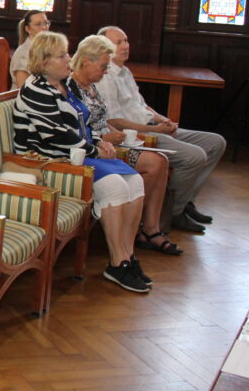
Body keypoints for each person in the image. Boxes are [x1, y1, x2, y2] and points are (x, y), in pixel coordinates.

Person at [12, 32, 150, 293]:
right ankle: (117, 262)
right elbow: (56, 136)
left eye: (67, 53)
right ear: (44, 61)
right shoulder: (35, 89)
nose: (69, 59)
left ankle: (127, 256)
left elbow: (82, 124)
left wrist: (99, 141)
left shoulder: (66, 84)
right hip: (46, 161)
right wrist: (95, 150)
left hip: (76, 154)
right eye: (62, 55)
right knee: (115, 187)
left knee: (135, 182)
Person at [97, 26, 226, 233]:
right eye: (118, 42)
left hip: (152, 126)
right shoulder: (104, 76)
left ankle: (186, 201)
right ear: (103, 47)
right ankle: (174, 212)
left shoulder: (125, 71)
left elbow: (142, 105)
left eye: (126, 40)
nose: (125, 46)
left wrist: (164, 120)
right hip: (139, 135)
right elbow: (115, 121)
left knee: (215, 142)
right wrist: (157, 129)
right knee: (195, 156)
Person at [70, 35, 180, 255]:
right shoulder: (70, 89)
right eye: (103, 66)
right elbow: (81, 130)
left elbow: (104, 120)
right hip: (97, 149)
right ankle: (133, 228)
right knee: (156, 163)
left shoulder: (92, 86)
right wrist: (107, 138)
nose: (106, 71)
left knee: (161, 160)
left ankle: (149, 228)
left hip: (110, 142)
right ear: (86, 61)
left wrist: (115, 134)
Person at [11, 10, 51, 89]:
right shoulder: (23, 54)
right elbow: (24, 90)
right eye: (38, 24)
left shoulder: (46, 49)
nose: (44, 27)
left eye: (46, 23)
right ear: (28, 28)